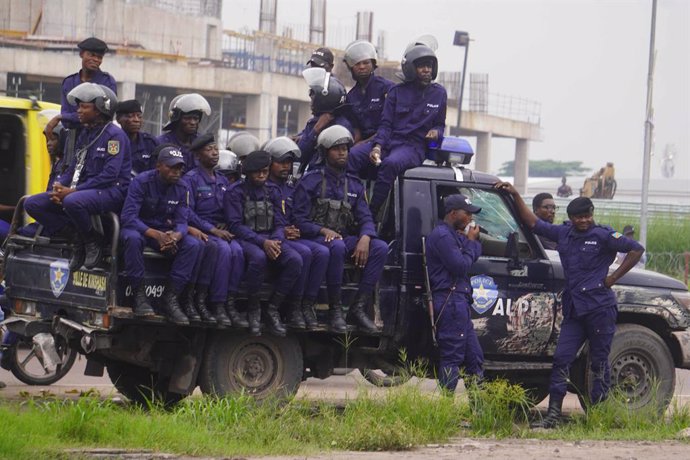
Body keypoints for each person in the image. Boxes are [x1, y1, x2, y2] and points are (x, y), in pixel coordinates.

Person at [495, 182, 644, 428]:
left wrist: (613, 278)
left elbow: (636, 250)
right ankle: (553, 415)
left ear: (592, 214)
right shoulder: (564, 233)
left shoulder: (604, 236)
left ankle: (597, 416)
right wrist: (515, 194)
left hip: (599, 309)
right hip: (575, 310)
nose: (584, 221)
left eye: (587, 216)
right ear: (571, 218)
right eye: (578, 217)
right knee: (561, 359)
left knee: (598, 362)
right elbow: (533, 223)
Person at [24, 83, 130, 269]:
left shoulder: (114, 136)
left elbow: (109, 175)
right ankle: (76, 237)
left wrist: (73, 191)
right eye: (78, 106)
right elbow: (73, 167)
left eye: (84, 107)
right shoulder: (85, 134)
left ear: (98, 109)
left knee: (72, 201)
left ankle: (91, 241)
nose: (79, 111)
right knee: (32, 204)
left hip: (111, 191)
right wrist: (59, 187)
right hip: (85, 190)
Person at [292, 125, 387, 334]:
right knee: (334, 246)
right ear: (325, 152)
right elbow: (298, 219)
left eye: (345, 148)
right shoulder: (311, 181)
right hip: (314, 238)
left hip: (343, 239)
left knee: (379, 247)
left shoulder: (354, 185)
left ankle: (358, 307)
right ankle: (335, 309)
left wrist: (365, 237)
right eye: (337, 149)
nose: (342, 152)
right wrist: (322, 230)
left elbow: (365, 217)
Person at [119, 145, 204, 324]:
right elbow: (128, 217)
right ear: (158, 166)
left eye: (180, 168)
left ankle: (170, 298)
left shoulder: (182, 187)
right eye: (172, 167)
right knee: (132, 239)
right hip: (141, 229)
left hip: (165, 233)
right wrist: (154, 234)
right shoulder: (142, 182)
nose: (176, 172)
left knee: (193, 244)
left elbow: (182, 221)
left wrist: (175, 237)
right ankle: (139, 296)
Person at [225, 150, 303, 337]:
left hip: (271, 238)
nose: (261, 175)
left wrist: (276, 241)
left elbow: (279, 222)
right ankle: (254, 308)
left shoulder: (273, 191)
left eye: (265, 171)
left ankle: (273, 308)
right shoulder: (235, 192)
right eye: (257, 172)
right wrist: (263, 242)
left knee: (295, 260)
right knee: (258, 258)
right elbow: (235, 225)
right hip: (248, 239)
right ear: (248, 173)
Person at [367, 44, 447, 218]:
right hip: (389, 141)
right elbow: (385, 124)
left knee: (390, 164)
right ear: (411, 68)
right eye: (422, 66)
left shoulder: (439, 93)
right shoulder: (396, 92)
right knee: (354, 157)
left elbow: (441, 124)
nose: (427, 70)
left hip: (413, 147)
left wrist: (436, 132)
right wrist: (377, 147)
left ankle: (371, 215)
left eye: (429, 66)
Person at [265, 136, 330, 330]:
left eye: (289, 163)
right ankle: (283, 307)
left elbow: (300, 215)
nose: (286, 167)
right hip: (271, 237)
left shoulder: (293, 188)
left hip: (293, 236)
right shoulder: (262, 186)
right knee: (304, 254)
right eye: (281, 162)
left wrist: (297, 229)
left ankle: (305, 304)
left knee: (322, 252)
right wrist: (281, 231)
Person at [182, 133, 247, 327]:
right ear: (198, 156)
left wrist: (227, 224)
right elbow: (188, 213)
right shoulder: (191, 179)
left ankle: (229, 302)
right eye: (208, 150)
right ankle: (213, 303)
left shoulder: (222, 180)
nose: (214, 153)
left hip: (222, 231)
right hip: (203, 230)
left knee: (238, 252)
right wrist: (211, 229)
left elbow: (229, 208)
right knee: (225, 252)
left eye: (215, 149)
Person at [425, 194, 484, 393]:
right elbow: (460, 266)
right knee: (452, 357)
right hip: (450, 301)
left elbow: (473, 254)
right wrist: (471, 242)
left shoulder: (454, 235)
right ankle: (446, 411)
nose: (470, 218)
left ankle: (478, 412)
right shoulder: (442, 235)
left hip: (460, 302)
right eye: (466, 213)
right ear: (452, 213)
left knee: (474, 358)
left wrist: (471, 242)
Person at [341, 40, 395, 178]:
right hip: (365, 144)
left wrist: (362, 144)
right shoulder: (351, 96)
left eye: (366, 63)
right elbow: (356, 129)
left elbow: (391, 125)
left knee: (353, 155)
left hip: (385, 141)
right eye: (357, 64)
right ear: (351, 67)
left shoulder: (387, 88)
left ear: (373, 64)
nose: (362, 67)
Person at [44, 37, 117, 134]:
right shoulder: (69, 83)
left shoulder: (107, 82)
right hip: (73, 138)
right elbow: (66, 119)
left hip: (98, 137)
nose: (95, 59)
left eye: (99, 57)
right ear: (81, 54)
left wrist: (68, 118)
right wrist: (72, 118)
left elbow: (104, 115)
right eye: (91, 55)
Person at [296, 71, 354, 174]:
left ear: (324, 100)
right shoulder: (314, 122)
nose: (311, 102)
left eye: (314, 98)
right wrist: (314, 131)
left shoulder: (341, 126)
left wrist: (317, 131)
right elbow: (299, 155)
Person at [156, 93, 211, 171]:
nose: (192, 122)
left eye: (195, 118)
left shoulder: (202, 143)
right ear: (177, 120)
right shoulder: (161, 143)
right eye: (187, 118)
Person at [115, 99, 159, 175]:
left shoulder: (150, 143)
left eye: (139, 116)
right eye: (130, 116)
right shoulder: (113, 141)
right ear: (118, 119)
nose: (136, 120)